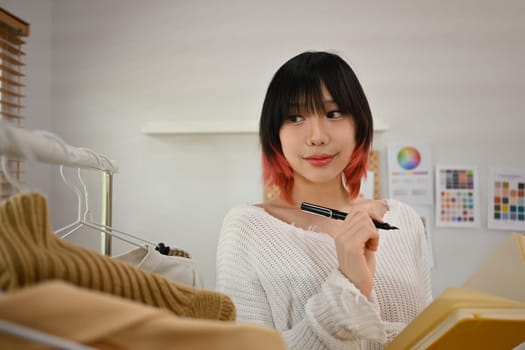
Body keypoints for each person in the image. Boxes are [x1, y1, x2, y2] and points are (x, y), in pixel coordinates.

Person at [216, 51, 432, 349]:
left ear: (359, 124)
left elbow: (427, 332)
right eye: (295, 117)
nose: (317, 136)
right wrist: (348, 285)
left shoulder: (403, 220)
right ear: (274, 133)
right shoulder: (247, 228)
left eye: (333, 114)